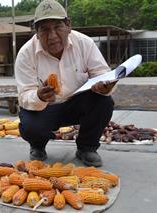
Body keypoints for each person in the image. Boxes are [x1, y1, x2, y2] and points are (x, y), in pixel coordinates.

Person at [15, 0, 116, 167]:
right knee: (30, 126)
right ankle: (38, 145)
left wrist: (106, 85)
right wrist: (39, 95)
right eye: (45, 30)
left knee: (104, 102)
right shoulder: (26, 54)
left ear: (68, 25)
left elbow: (102, 74)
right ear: (36, 32)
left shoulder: (84, 43)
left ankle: (87, 147)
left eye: (57, 27)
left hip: (77, 104)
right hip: (46, 109)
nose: (52, 36)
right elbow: (24, 95)